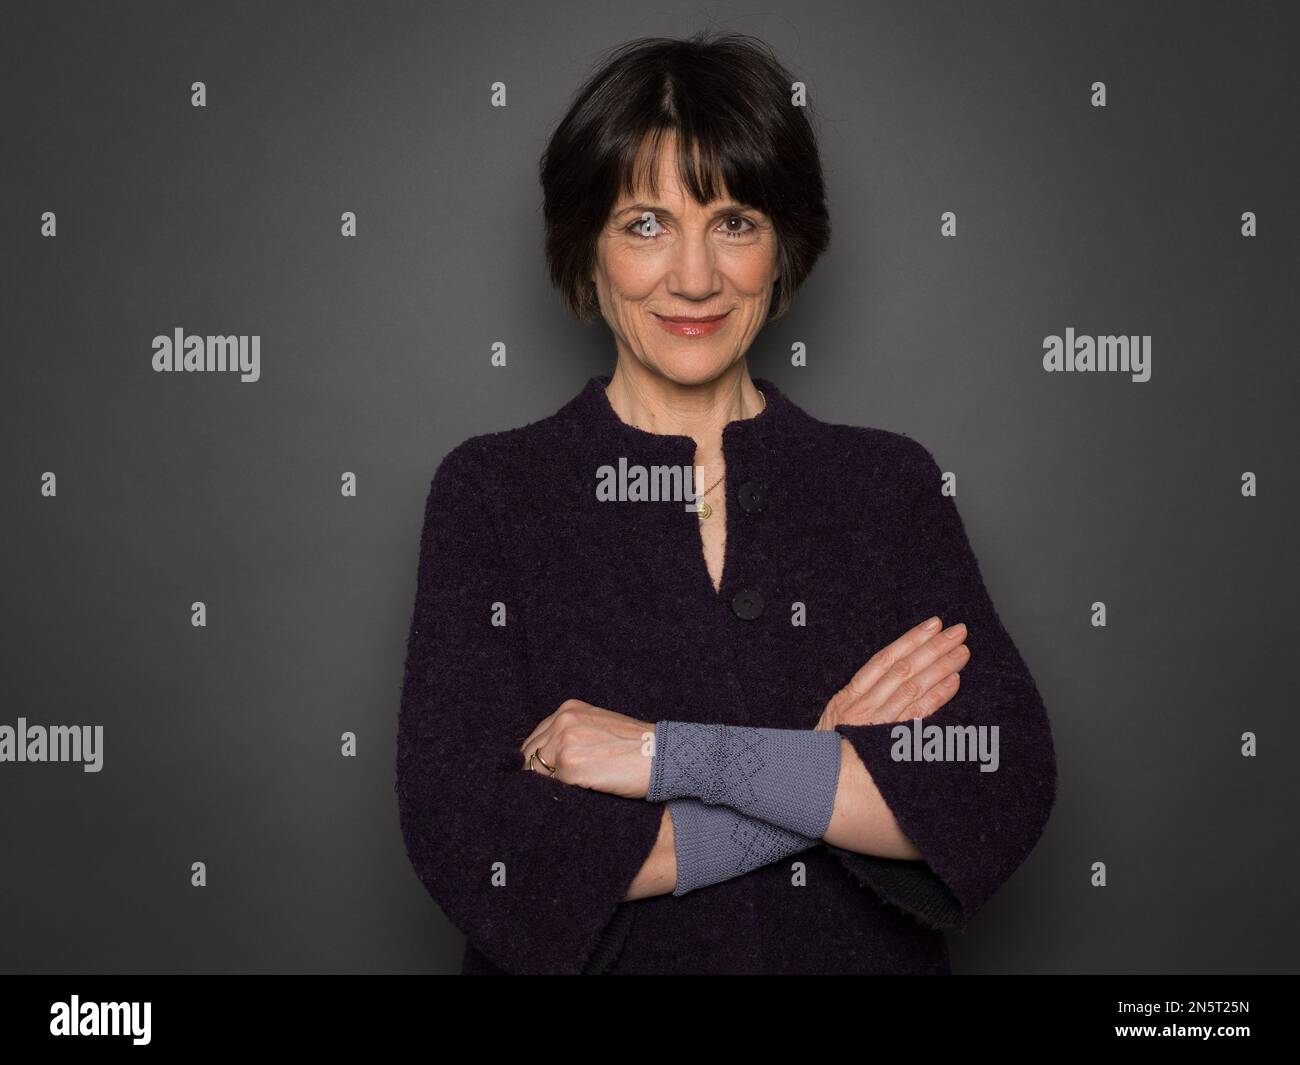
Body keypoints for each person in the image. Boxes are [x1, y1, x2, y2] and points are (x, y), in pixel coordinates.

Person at [395, 31, 1057, 975]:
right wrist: (815, 769)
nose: (696, 277)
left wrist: (668, 756)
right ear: (586, 247)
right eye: (646, 224)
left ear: (783, 247)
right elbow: (484, 847)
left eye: (735, 221)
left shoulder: (887, 486)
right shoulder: (493, 493)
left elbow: (996, 780)